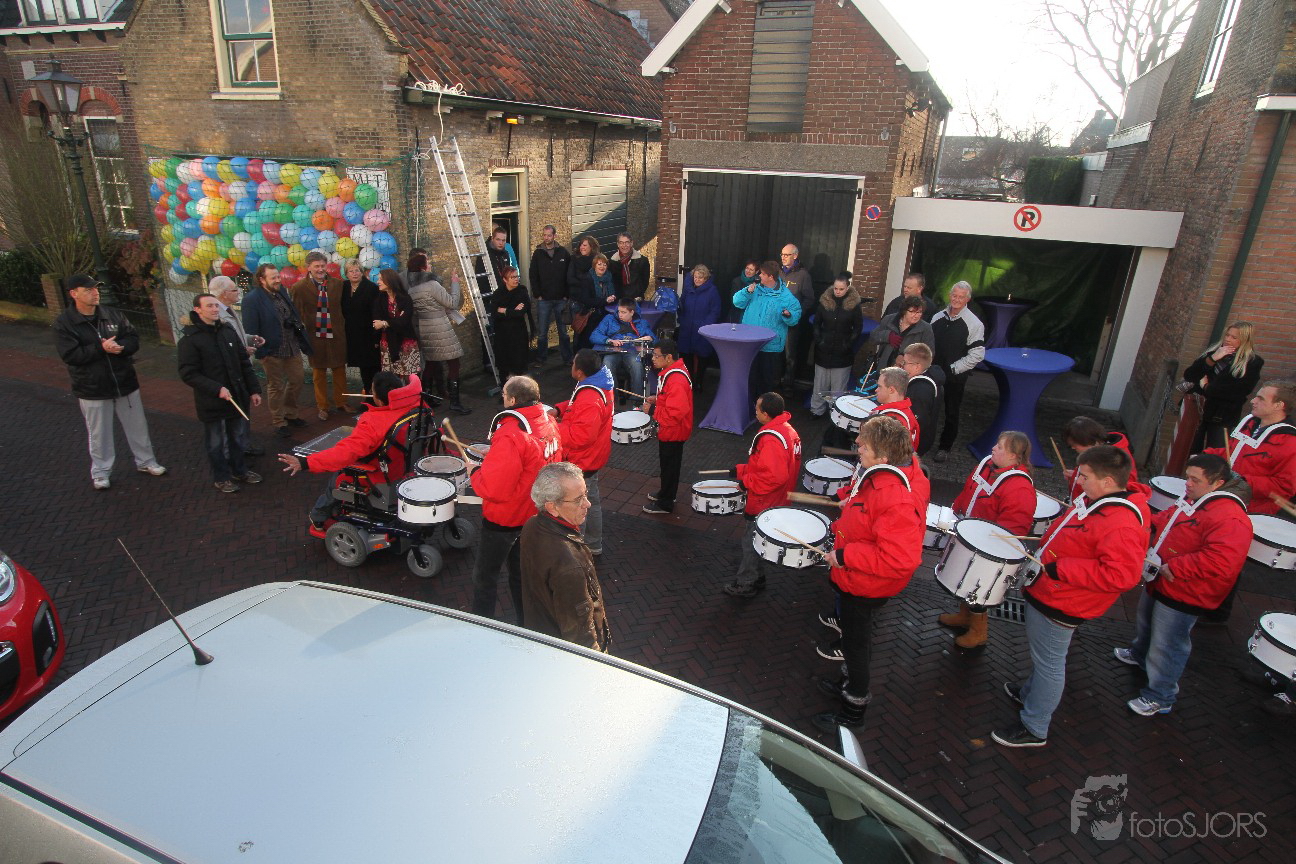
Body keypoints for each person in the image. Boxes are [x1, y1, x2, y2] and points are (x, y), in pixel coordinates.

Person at [993, 445, 1150, 748]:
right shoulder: (1099, 500)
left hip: (1064, 600)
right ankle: (1030, 694)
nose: (1079, 481)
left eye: (1085, 476)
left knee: (1050, 664)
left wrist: (1062, 568)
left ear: (1108, 481)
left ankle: (1035, 726)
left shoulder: (1121, 524)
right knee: (1044, 657)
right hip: (1054, 591)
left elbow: (1122, 576)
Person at [1112, 453, 1251, 715]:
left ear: (1217, 483)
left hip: (1184, 589)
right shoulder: (1195, 499)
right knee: (1147, 621)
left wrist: (1175, 567)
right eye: (1187, 477)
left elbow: (1222, 561)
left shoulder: (1231, 518)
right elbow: (1167, 519)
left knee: (1169, 644)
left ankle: (1161, 696)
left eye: (1195, 479)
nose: (1187, 483)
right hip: (1162, 580)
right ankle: (1140, 655)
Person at [813, 416, 924, 731]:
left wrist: (845, 555)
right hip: (858, 578)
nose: (858, 445)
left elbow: (900, 559)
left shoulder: (894, 497)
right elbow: (866, 521)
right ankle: (848, 682)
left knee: (856, 645)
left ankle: (854, 709)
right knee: (854, 639)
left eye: (866, 444)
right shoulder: (879, 479)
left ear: (884, 456)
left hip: (865, 585)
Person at [53, 274, 167, 489]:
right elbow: (70, 355)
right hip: (92, 388)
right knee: (99, 433)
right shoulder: (64, 323)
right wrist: (101, 348)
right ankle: (101, 472)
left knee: (138, 426)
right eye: (88, 290)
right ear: (74, 293)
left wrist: (121, 347)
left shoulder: (113, 314)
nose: (95, 293)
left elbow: (133, 338)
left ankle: (146, 462)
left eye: (96, 288)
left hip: (124, 382)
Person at [469, 375, 562, 623]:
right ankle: (525, 624)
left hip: (505, 518)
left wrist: (475, 472)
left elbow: (495, 489)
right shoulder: (549, 422)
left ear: (511, 400)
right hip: (533, 514)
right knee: (521, 576)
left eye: (504, 395)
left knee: (485, 577)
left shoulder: (510, 434)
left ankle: (481, 624)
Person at [276, 372, 421, 528]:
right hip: (407, 466)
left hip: (381, 475)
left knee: (338, 476)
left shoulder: (373, 422)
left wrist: (305, 462)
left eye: (371, 390)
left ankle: (319, 516)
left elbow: (345, 453)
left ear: (378, 399)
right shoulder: (417, 408)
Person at [938, 431, 1036, 650]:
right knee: (964, 579)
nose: (993, 448)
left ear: (1013, 457)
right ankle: (965, 616)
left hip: (988, 551)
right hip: (971, 536)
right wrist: (955, 513)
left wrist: (991, 549)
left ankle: (978, 631)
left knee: (978, 587)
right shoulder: (987, 466)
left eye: (1000, 447)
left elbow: (1013, 529)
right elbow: (968, 491)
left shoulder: (1019, 487)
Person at [520, 462, 611, 652]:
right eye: (578, 500)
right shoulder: (569, 565)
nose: (587, 504)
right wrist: (599, 660)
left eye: (585, 494)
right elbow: (581, 638)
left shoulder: (532, 525)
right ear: (552, 507)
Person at [177, 294, 264, 493]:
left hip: (236, 396)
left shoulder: (227, 330)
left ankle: (240, 471)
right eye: (209, 306)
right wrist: (216, 389)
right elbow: (188, 373)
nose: (215, 309)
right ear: (198, 310)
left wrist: (254, 390)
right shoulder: (190, 340)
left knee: (237, 437)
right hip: (211, 401)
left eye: (216, 305)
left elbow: (243, 363)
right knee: (215, 442)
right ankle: (221, 477)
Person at [723, 392, 802, 597]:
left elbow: (773, 476)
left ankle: (746, 583)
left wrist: (746, 482)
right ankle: (758, 577)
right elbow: (768, 466)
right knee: (759, 540)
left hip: (764, 501)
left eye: (757, 409)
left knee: (751, 542)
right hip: (778, 498)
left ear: (766, 414)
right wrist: (740, 471)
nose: (755, 412)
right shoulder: (788, 430)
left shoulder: (771, 439)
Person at [553, 350, 614, 557]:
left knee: (579, 506)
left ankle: (579, 550)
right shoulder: (599, 383)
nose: (571, 366)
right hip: (593, 456)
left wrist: (553, 427)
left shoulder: (590, 396)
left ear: (579, 372)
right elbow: (576, 406)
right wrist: (559, 410)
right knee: (591, 501)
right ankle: (594, 544)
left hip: (583, 460)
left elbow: (581, 437)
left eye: (573, 364)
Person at [1205, 380, 1296, 516]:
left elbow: (1285, 487)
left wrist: (1243, 482)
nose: (1253, 401)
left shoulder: (1290, 442)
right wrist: (1207, 457)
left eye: (1261, 398)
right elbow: (1232, 453)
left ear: (1278, 405)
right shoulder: (1250, 424)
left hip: (1252, 511)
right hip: (1225, 496)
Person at [242, 262, 311, 438]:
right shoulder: (252, 299)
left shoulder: (282, 292)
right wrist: (260, 352)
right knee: (276, 386)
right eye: (273, 278)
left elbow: (292, 313)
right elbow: (250, 329)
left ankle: (290, 413)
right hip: (271, 350)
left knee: (297, 380)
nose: (278, 280)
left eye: (278, 276)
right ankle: (279, 421)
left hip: (291, 346)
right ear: (261, 279)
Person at [1183, 321, 1264, 451]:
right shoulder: (1213, 352)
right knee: (1188, 450)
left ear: (1244, 340)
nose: (1228, 339)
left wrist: (1206, 387)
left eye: (1234, 337)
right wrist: (1212, 359)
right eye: (1227, 335)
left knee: (1215, 452)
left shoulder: (1252, 362)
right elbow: (1190, 375)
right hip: (1198, 409)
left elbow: (1237, 391)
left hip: (1222, 415)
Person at [407, 255, 470, 415]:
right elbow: (452, 303)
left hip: (425, 328)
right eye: (427, 263)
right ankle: (455, 402)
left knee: (431, 364)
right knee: (454, 363)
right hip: (441, 327)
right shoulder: (432, 285)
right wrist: (455, 282)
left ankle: (427, 399)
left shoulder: (412, 289)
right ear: (422, 267)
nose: (430, 265)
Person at [210, 274, 265, 457]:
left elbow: (235, 336)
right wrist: (242, 351)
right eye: (234, 289)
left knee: (243, 410)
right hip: (232, 373)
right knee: (235, 414)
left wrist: (249, 338)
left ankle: (244, 446)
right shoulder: (218, 316)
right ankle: (237, 452)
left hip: (242, 369)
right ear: (224, 294)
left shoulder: (230, 310)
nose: (238, 292)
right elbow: (221, 347)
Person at [291, 251, 349, 421]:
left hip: (337, 335)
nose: (320, 269)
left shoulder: (338, 284)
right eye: (316, 266)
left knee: (339, 370)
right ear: (308, 267)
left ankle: (341, 402)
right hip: (315, 336)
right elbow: (296, 314)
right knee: (319, 373)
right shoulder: (299, 288)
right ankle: (322, 406)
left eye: (323, 265)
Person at [930, 281, 985, 463]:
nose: (957, 299)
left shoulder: (974, 324)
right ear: (949, 295)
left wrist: (953, 369)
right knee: (927, 408)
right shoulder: (937, 317)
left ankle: (945, 447)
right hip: (932, 374)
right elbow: (928, 343)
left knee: (951, 412)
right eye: (954, 295)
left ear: (967, 299)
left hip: (954, 378)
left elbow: (977, 354)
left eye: (961, 297)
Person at [733, 260, 801, 399]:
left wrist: (789, 315)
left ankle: (763, 408)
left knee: (766, 381)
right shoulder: (755, 289)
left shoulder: (785, 296)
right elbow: (737, 302)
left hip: (770, 346)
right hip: (750, 343)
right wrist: (747, 292)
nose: (759, 276)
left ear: (771, 277)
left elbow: (796, 315)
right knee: (749, 378)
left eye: (763, 274)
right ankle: (748, 406)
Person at [642, 338, 693, 515]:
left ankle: (666, 503)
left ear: (669, 357)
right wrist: (658, 399)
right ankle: (666, 493)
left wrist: (653, 410)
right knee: (667, 464)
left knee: (670, 466)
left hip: (674, 430)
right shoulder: (672, 371)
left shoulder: (676, 379)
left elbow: (675, 413)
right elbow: (671, 398)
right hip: (671, 429)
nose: (653, 359)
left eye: (656, 356)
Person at [810, 272, 863, 418]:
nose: (838, 292)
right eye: (835, 288)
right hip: (823, 349)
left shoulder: (854, 306)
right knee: (820, 384)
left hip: (842, 352)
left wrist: (848, 344)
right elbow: (816, 323)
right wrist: (819, 340)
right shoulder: (824, 302)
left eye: (841, 289)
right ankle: (816, 410)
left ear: (848, 288)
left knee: (838, 387)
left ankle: (835, 413)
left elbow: (858, 328)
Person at [1061, 416, 1140, 500]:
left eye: (1075, 444)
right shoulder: (1094, 451)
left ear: (1087, 440)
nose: (1073, 447)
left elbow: (1122, 489)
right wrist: (1076, 475)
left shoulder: (1116, 459)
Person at [592, 299, 655, 403]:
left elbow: (654, 340)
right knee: (607, 363)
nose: (620, 314)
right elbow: (594, 335)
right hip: (612, 352)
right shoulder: (609, 319)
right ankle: (612, 399)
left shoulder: (641, 323)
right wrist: (609, 340)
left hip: (632, 353)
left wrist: (650, 338)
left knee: (637, 365)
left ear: (632, 312)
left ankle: (637, 401)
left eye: (623, 312)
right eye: (619, 311)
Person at [340, 258, 381, 406]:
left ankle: (377, 398)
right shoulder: (344, 287)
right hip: (353, 335)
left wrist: (376, 338)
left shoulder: (371, 288)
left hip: (369, 334)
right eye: (351, 271)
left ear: (362, 272)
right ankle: (368, 398)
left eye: (357, 270)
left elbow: (376, 313)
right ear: (346, 274)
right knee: (363, 368)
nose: (354, 273)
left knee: (373, 367)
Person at [529, 225, 572, 366]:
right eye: (544, 235)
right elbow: (533, 275)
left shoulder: (563, 253)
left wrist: (566, 294)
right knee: (542, 332)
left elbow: (569, 274)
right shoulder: (538, 253)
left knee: (563, 332)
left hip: (561, 299)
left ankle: (567, 358)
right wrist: (537, 294)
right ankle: (541, 359)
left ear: (554, 236)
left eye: (549, 235)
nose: (546, 238)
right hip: (544, 300)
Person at [677, 264, 722, 391]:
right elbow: (681, 305)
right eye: (695, 277)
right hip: (687, 327)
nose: (697, 280)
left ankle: (699, 382)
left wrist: (706, 325)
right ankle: (689, 381)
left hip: (702, 329)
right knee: (686, 355)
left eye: (700, 278)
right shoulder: (688, 289)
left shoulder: (712, 291)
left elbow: (715, 311)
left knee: (703, 356)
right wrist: (681, 318)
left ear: (706, 279)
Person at [864, 295, 935, 371]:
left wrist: (905, 358)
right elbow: (872, 338)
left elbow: (929, 354)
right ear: (904, 311)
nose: (916, 315)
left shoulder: (925, 328)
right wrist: (887, 336)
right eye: (912, 312)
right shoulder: (889, 320)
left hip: (906, 372)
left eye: (919, 312)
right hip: (884, 368)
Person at [372, 269, 422, 376]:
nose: (378, 282)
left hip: (406, 342)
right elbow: (376, 323)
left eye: (381, 279)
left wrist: (385, 323)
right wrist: (396, 320)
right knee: (391, 377)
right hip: (388, 343)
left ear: (390, 280)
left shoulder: (405, 298)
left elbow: (404, 321)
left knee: (410, 376)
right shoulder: (379, 299)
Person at [488, 266, 533, 382]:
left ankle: (519, 388)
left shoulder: (522, 292)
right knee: (504, 365)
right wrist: (513, 310)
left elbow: (521, 313)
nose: (516, 279)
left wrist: (505, 310)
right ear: (505, 279)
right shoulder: (498, 293)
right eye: (512, 277)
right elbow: (494, 313)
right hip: (503, 335)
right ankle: (505, 388)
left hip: (518, 334)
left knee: (519, 364)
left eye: (517, 276)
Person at [779, 243, 815, 385]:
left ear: (795, 256)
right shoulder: (778, 273)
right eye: (782, 254)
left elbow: (809, 299)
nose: (783, 257)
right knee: (774, 352)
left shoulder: (803, 275)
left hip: (791, 322)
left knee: (790, 355)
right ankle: (774, 382)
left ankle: (788, 385)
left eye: (786, 255)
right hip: (776, 321)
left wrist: (796, 313)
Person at [899, 343, 944, 457]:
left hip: (914, 444)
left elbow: (916, 422)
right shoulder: (930, 378)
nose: (902, 366)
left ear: (917, 367)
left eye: (905, 363)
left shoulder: (920, 390)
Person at [572, 251, 614, 353]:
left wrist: (613, 297)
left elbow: (614, 293)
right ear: (594, 265)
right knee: (588, 341)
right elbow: (586, 300)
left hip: (605, 315)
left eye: (604, 264)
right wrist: (605, 300)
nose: (602, 267)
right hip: (591, 315)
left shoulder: (609, 278)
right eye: (599, 264)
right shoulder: (587, 279)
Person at [871, 366, 920, 453]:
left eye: (879, 386)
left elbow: (883, 453)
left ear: (891, 390)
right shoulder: (905, 411)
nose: (876, 390)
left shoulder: (893, 419)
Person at [567, 235, 601, 351]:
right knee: (579, 330)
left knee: (592, 330)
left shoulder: (597, 260)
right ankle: (577, 356)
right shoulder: (574, 259)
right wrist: (587, 282)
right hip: (577, 301)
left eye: (585, 245)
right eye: (581, 244)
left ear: (592, 247)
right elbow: (570, 279)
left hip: (593, 302)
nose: (582, 247)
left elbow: (600, 278)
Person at [609, 232, 650, 301]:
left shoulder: (642, 261)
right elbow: (612, 281)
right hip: (619, 299)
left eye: (627, 242)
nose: (624, 245)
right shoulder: (612, 261)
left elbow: (645, 281)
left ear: (631, 243)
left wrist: (639, 294)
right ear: (618, 244)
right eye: (621, 242)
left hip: (636, 298)